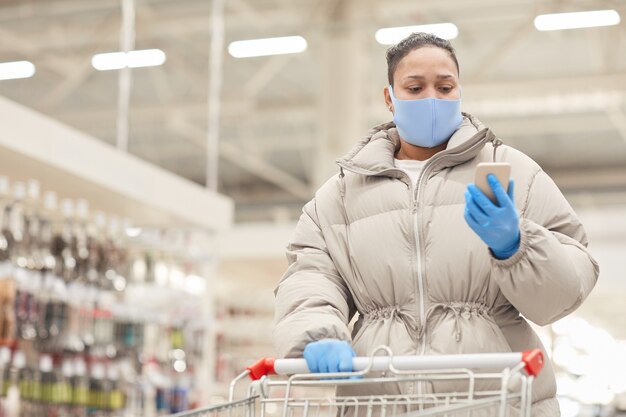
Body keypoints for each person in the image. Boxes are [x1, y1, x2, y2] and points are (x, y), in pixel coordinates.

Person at [273, 32, 599, 416]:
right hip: (382, 401)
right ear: (389, 98)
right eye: (415, 87)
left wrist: (517, 246)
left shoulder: (514, 173)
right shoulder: (340, 197)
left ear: (460, 91)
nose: (432, 98)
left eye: (445, 87)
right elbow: (311, 276)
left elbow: (565, 290)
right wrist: (318, 333)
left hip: (496, 400)